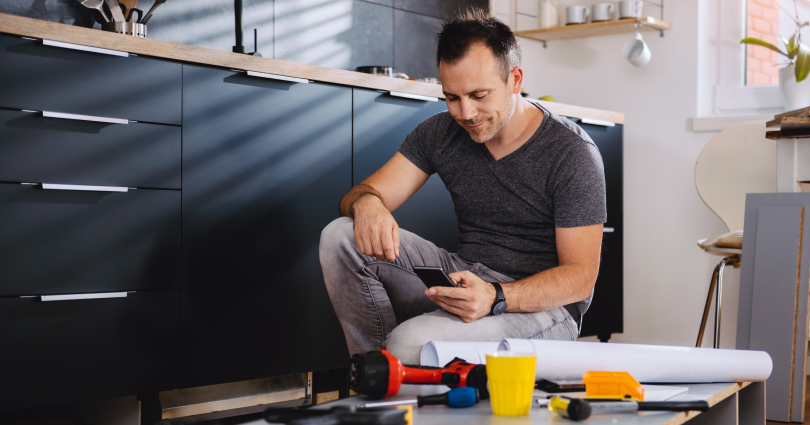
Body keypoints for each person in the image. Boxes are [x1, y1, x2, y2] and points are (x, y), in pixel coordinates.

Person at [319, 7, 606, 364]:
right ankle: (375, 376)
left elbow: (580, 278)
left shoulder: (571, 151)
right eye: (452, 97)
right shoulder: (441, 132)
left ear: (514, 80)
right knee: (340, 235)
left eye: (479, 95)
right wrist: (369, 205)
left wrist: (496, 295)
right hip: (466, 279)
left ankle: (394, 371)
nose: (465, 113)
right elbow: (361, 194)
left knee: (411, 344)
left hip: (545, 309)